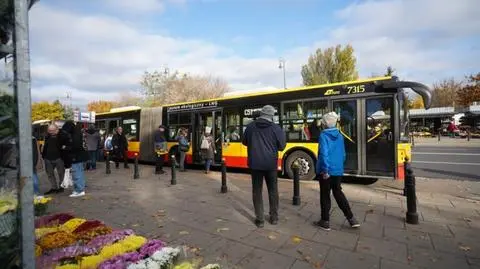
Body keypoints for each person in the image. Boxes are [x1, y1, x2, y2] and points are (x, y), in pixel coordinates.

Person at [314, 112, 360, 230]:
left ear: (324, 124)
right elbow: (343, 154)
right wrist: (338, 166)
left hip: (326, 171)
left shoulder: (323, 136)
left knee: (325, 195)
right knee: (338, 193)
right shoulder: (340, 135)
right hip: (337, 170)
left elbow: (324, 154)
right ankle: (351, 219)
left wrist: (325, 170)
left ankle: (325, 221)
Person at [242, 105, 286, 228]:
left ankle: (260, 219)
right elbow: (282, 146)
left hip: (255, 164)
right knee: (273, 190)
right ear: (271, 116)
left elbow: (244, 142)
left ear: (261, 114)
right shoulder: (276, 128)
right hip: (271, 164)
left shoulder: (250, 127)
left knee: (257, 191)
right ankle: (274, 217)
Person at [62, 121, 88, 197]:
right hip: (79, 156)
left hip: (75, 157)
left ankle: (79, 190)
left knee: (76, 173)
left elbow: (75, 147)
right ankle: (79, 189)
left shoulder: (74, 135)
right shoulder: (78, 133)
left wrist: (66, 147)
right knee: (79, 173)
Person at [42, 124, 66, 194]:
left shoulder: (61, 136)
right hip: (48, 158)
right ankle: (54, 187)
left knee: (61, 173)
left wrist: (59, 133)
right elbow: (45, 146)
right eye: (49, 130)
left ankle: (61, 187)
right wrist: (44, 156)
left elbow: (65, 143)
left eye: (52, 130)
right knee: (49, 174)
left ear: (57, 129)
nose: (51, 132)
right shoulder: (47, 136)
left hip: (59, 158)